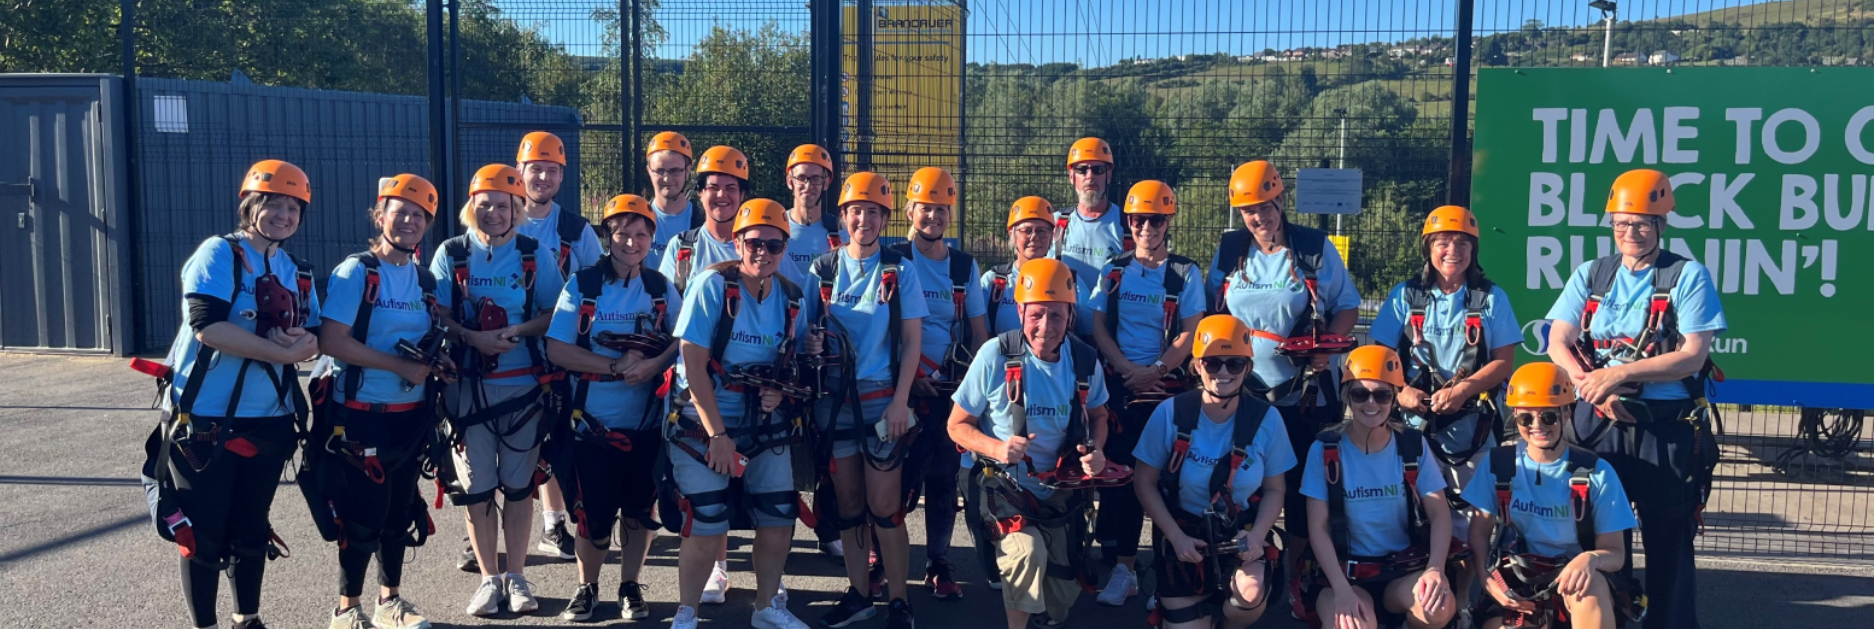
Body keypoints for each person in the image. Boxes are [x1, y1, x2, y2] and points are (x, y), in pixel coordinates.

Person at [145, 159, 322, 629]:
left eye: (293, 208)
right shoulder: (219, 253)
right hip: (205, 416)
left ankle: (248, 619)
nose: (284, 215)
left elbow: (315, 336)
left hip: (270, 417)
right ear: (251, 205)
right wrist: (282, 352)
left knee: (251, 527)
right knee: (203, 534)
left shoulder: (296, 270)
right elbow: (208, 326)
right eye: (274, 204)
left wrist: (303, 343)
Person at [1543, 169, 1723, 629]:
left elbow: (1692, 355)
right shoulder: (1592, 274)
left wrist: (1619, 373)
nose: (1630, 232)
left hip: (1664, 428)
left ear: (1662, 223)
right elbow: (1558, 340)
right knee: (1601, 541)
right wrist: (1588, 383)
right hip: (1597, 427)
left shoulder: (1687, 276)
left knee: (1669, 543)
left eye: (1642, 223)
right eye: (1621, 223)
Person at [1206, 160, 1361, 588]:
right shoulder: (1231, 250)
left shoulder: (1312, 248)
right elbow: (1212, 314)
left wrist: (1325, 347)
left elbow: (1347, 306)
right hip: (1242, 390)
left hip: (1304, 392)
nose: (1259, 217)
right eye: (1249, 210)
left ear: (1281, 200)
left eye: (1265, 206)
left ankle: (1299, 575)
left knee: (1300, 488)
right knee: (1239, 478)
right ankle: (1242, 564)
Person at [664, 199, 817, 629]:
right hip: (702, 424)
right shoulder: (712, 286)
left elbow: (792, 360)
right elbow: (693, 366)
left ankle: (766, 607)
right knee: (708, 517)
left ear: (785, 247)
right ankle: (686, 613)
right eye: (754, 243)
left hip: (763, 424)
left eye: (774, 244)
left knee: (779, 513)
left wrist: (779, 391)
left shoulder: (791, 297)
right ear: (738, 243)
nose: (763, 252)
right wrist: (717, 436)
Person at [1366, 205, 1519, 620]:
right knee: (1414, 513)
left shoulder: (1490, 299)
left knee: (1471, 519)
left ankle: (1463, 602)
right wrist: (1401, 392)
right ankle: (1418, 599)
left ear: (1474, 250)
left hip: (1472, 429)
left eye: (1463, 243)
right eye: (1443, 242)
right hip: (1414, 428)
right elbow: (1378, 355)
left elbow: (1503, 361)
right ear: (1428, 248)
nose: (1453, 251)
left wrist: (1466, 388)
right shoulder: (1406, 297)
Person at [429, 164, 566, 617]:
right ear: (472, 207)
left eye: (502, 205)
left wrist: (515, 331)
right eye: (484, 204)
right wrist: (472, 338)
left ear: (516, 208)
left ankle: (518, 576)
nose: (492, 212)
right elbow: (437, 313)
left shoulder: (534, 254)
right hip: (468, 392)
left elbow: (555, 313)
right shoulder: (452, 253)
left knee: (519, 486)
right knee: (478, 489)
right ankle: (489, 579)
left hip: (523, 390)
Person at [312, 174, 447, 629]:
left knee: (399, 511)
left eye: (419, 215)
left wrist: (438, 362)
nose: (409, 221)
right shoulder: (357, 271)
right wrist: (399, 366)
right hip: (361, 414)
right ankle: (346, 608)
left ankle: (390, 601)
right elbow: (332, 341)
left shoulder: (424, 279)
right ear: (380, 215)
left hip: (411, 417)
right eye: (400, 211)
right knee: (363, 516)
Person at [949, 258, 1114, 629]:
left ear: (1071, 316)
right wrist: (997, 449)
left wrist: (1096, 449)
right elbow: (956, 425)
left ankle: (1037, 602)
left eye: (1056, 316)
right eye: (1036, 314)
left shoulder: (1084, 361)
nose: (1045, 327)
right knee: (1027, 553)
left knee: (1058, 601)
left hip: (1059, 489)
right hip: (1002, 485)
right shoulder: (994, 355)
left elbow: (1100, 415)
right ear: (1020, 311)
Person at [544, 194, 684, 622]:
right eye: (622, 233)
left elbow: (684, 339)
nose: (631, 242)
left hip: (647, 425)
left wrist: (654, 366)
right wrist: (613, 367)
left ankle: (630, 586)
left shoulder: (660, 288)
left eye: (641, 234)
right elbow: (557, 349)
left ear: (651, 239)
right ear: (607, 236)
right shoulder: (583, 285)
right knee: (593, 517)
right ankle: (587, 587)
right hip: (592, 426)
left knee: (641, 512)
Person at [812, 171, 929, 629]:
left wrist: (901, 402)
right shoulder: (823, 269)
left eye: (874, 212)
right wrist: (810, 344)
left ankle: (899, 601)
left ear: (885, 218)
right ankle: (860, 594)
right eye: (856, 211)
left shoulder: (899, 270)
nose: (864, 220)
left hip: (882, 402)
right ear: (842, 215)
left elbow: (912, 342)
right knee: (849, 506)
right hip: (834, 402)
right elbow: (806, 332)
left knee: (885, 508)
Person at [1085, 180, 1207, 607]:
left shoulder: (1185, 273)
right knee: (1123, 481)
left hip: (1165, 388)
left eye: (1155, 220)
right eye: (1138, 220)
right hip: (1122, 388)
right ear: (1129, 222)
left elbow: (1190, 332)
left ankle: (1167, 572)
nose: (1147, 228)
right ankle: (1125, 569)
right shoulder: (1114, 269)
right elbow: (1099, 325)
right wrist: (1125, 369)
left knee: (1167, 482)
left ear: (1168, 221)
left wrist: (1156, 370)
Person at [1132, 315, 1290, 629]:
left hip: (1238, 534)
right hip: (1185, 537)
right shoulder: (1171, 413)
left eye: (1234, 363)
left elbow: (1276, 489)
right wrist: (1175, 537)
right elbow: (1144, 482)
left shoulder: (1266, 419)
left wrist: (1257, 536)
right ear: (1197, 366)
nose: (1223, 372)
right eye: (1212, 363)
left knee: (1249, 596)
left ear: (1248, 367)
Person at [1463, 363, 1640, 629]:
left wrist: (1591, 558)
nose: (1537, 426)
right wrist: (1488, 581)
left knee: (1589, 587)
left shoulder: (1596, 472)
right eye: (1526, 418)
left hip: (1576, 581)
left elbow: (1616, 554)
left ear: (1567, 413)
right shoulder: (1498, 465)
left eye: (1548, 417)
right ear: (1515, 416)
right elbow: (1478, 534)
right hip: (1520, 581)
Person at [1300, 345, 1456, 629]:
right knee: (1351, 625)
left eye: (1382, 394)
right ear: (1346, 395)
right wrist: (1341, 591)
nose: (1371, 403)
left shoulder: (1412, 445)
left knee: (1439, 607)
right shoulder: (1324, 450)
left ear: (1394, 398)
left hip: (1402, 571)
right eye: (1360, 394)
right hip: (1345, 574)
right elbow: (1318, 528)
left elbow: (1439, 513)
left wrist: (1435, 568)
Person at [505, 131, 605, 562]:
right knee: (503, 438)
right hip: (506, 351)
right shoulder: (500, 215)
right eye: (535, 169)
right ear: (520, 170)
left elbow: (599, 282)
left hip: (559, 349)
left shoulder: (575, 229)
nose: (543, 177)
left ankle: (554, 523)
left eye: (552, 170)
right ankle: (483, 528)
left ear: (562, 176)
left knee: (555, 436)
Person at [889, 167, 987, 601]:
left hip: (947, 389)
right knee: (894, 476)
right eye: (925, 208)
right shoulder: (893, 258)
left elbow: (979, 334)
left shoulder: (963, 266)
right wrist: (907, 380)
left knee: (944, 479)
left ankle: (939, 561)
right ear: (909, 210)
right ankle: (880, 557)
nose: (933, 216)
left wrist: (966, 386)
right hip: (898, 387)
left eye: (942, 209)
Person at [661, 145, 809, 296]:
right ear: (700, 192)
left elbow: (797, 296)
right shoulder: (680, 247)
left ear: (742, 194)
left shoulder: (766, 247)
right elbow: (666, 302)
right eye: (713, 187)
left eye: (730, 188)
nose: (721, 194)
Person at [1052, 137, 1129, 337]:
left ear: (1109, 175)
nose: (1090, 176)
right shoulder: (1055, 224)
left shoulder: (1128, 226)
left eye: (1098, 170)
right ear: (1072, 176)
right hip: (1063, 335)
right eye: (1082, 170)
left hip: (1111, 335)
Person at [981, 196, 1057, 336]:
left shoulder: (1066, 281)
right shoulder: (992, 282)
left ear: (1052, 236)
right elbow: (980, 335)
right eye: (1026, 231)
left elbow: (1087, 333)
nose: (1034, 237)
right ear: (1012, 235)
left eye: (1041, 231)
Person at [644, 131, 704, 271]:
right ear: (649, 171)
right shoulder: (636, 219)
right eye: (660, 171)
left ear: (688, 171)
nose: (667, 178)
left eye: (675, 171)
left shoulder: (702, 223)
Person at [784, 143, 844, 278]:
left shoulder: (841, 233)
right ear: (790, 182)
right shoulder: (775, 229)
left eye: (816, 179)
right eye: (801, 178)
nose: (808, 185)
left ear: (826, 183)